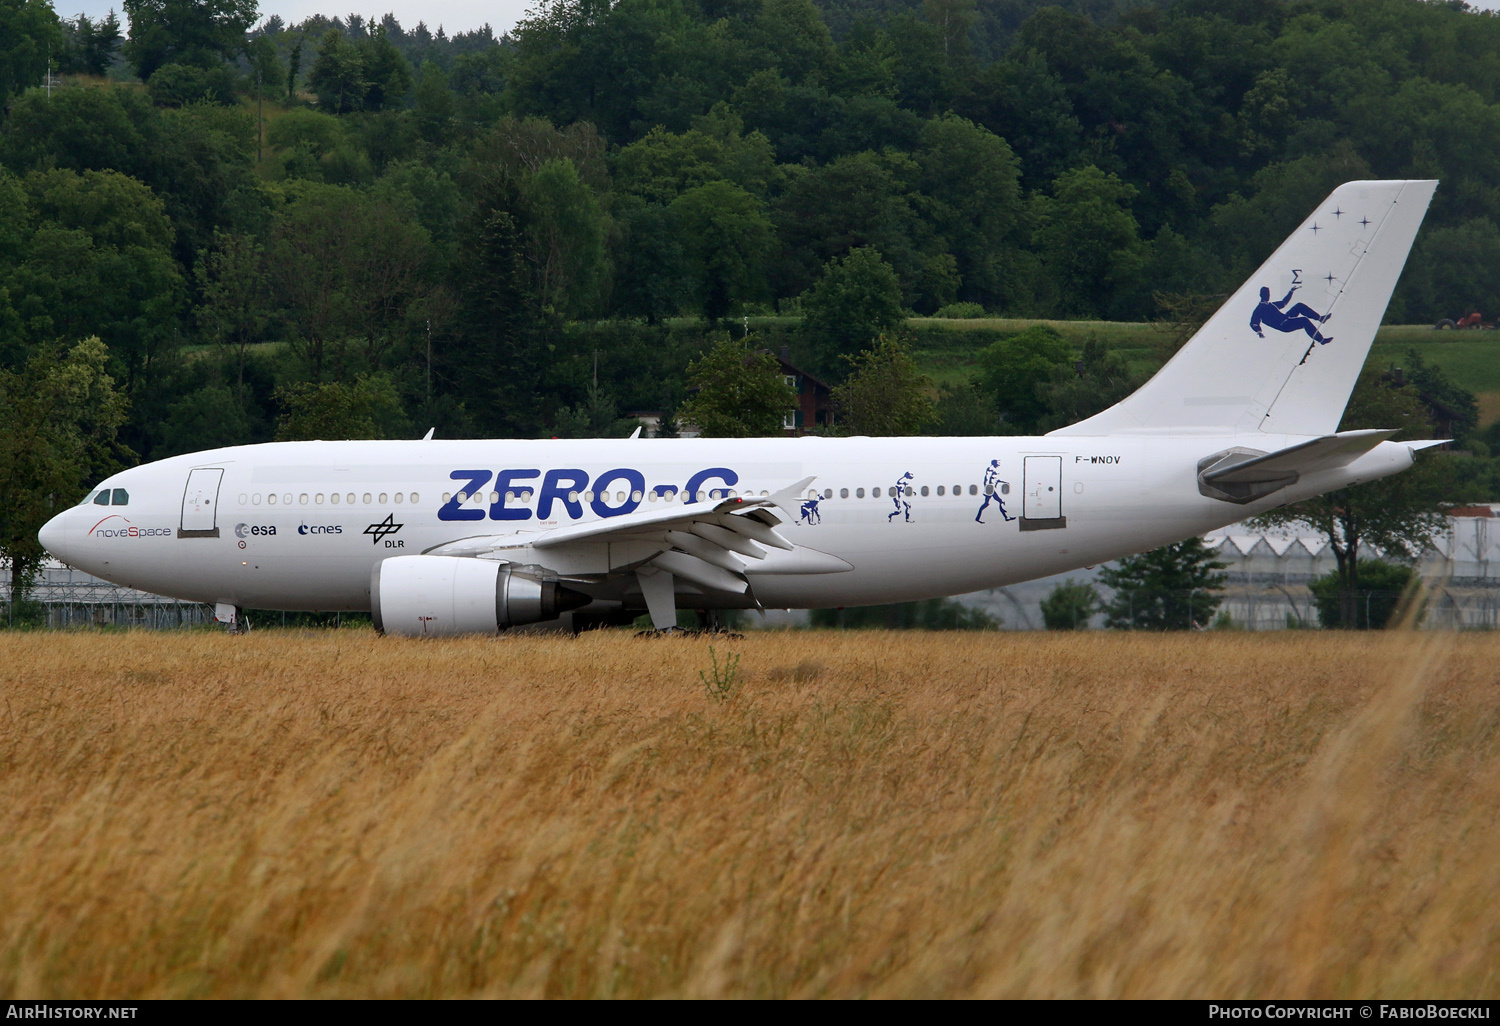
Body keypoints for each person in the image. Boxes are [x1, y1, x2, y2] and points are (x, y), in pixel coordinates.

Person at [1250, 285, 1332, 344]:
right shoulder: (1259, 309)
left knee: (1299, 306)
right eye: (1266, 294)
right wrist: (1259, 331)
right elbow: (1254, 323)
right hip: (1284, 325)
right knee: (1304, 321)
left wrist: (1291, 291)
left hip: (1287, 318)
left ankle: (1320, 318)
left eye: (1268, 294)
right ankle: (1321, 340)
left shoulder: (1270, 304)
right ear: (1261, 295)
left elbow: (1283, 303)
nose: (1268, 296)